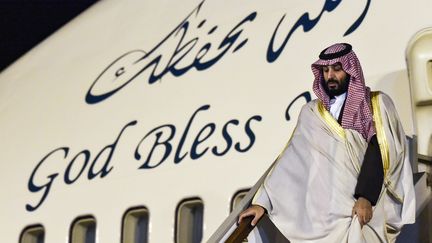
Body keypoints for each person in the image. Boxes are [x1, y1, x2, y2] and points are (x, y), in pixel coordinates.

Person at [238, 43, 415, 242]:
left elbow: (381, 152)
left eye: (337, 69)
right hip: (321, 214)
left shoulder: (376, 104)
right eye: (325, 70)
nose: (330, 75)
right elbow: (291, 161)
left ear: (350, 70)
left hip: (359, 207)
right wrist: (262, 203)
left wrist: (366, 197)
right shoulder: (311, 112)